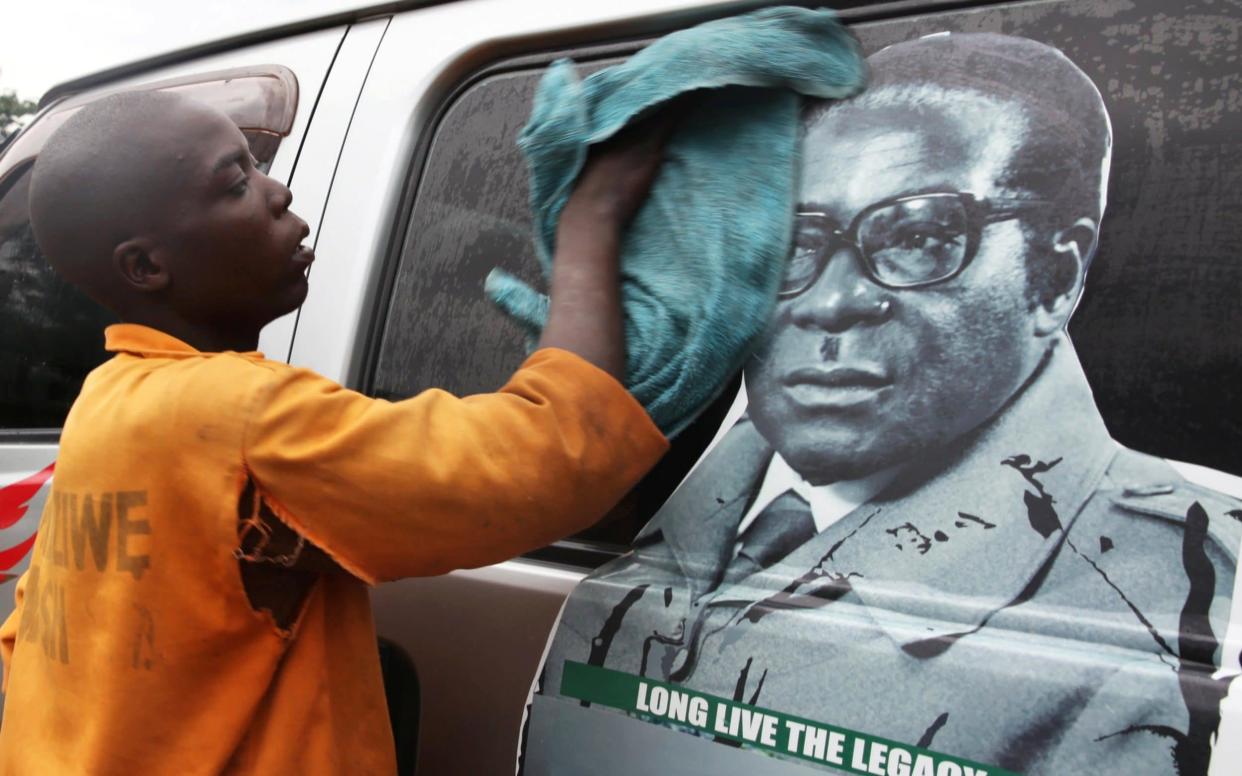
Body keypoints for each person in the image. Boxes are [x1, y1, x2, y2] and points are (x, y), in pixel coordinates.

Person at [528, 33, 1241, 776]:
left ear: (1054, 278)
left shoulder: (1178, 603)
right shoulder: (643, 488)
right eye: (793, 243)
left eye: (920, 236)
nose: (832, 302)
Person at [0, 90, 672, 773]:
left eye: (260, 167)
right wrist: (591, 228)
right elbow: (544, 458)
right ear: (146, 268)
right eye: (236, 183)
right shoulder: (240, 416)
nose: (278, 191)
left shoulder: (106, 402)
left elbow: (31, 633)